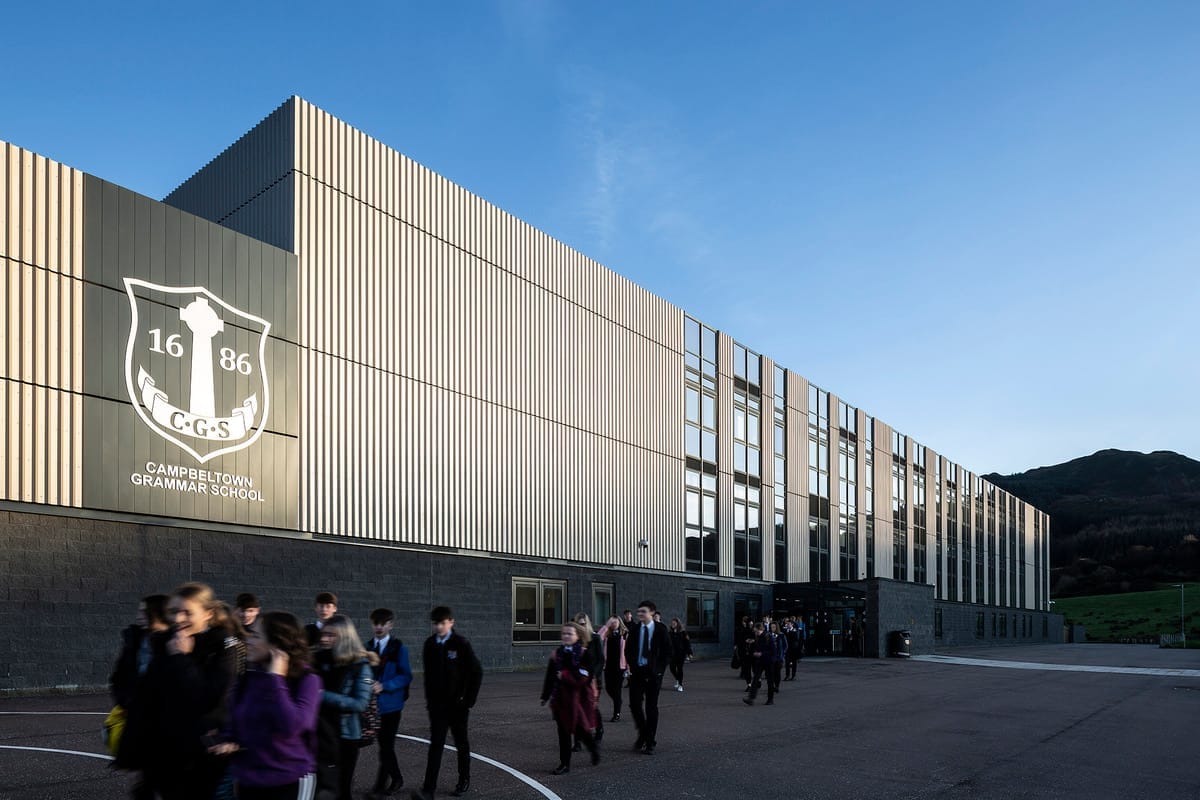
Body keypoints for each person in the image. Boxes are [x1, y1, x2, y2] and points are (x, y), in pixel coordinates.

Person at [124, 582, 239, 799]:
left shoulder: (223, 646)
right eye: (174, 611)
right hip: (164, 751)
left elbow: (209, 698)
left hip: (201, 754)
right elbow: (148, 697)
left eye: (187, 612)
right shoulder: (165, 643)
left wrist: (182, 659)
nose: (178, 619)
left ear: (208, 613)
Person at [210, 611, 321, 800]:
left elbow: (292, 726)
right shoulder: (248, 678)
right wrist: (228, 740)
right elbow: (236, 720)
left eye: (255, 635)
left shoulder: (307, 679)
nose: (248, 640)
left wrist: (276, 678)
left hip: (289, 778)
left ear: (277, 643)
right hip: (249, 779)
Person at [411, 607, 482, 800]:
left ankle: (463, 779)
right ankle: (428, 790)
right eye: (435, 623)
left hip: (458, 706)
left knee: (461, 743)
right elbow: (428, 677)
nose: (439, 627)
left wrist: (468, 701)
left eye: (442, 623)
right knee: (436, 745)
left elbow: (476, 671)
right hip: (438, 707)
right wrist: (430, 702)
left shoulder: (460, 644)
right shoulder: (430, 644)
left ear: (451, 622)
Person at [109, 594, 170, 800]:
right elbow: (118, 676)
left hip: (164, 720)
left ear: (158, 613)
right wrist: (126, 701)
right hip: (139, 716)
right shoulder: (135, 639)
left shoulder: (174, 642)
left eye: (144, 611)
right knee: (145, 780)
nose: (139, 616)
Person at [314, 615, 374, 800]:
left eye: (331, 635)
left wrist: (321, 695)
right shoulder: (317, 659)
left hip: (345, 734)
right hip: (318, 732)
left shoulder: (360, 665)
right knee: (318, 786)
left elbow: (360, 703)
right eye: (323, 634)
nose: (325, 639)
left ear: (345, 636)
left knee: (342, 788)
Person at [540, 622, 600, 774]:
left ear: (578, 636)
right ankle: (564, 764)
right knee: (563, 732)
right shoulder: (556, 654)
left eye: (570, 633)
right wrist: (545, 696)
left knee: (581, 730)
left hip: (578, 699)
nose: (566, 636)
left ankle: (593, 749)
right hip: (560, 699)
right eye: (564, 633)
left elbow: (586, 676)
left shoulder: (584, 653)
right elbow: (550, 676)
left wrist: (566, 676)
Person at [368, 608, 413, 798]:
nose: (379, 627)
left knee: (385, 746)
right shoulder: (367, 647)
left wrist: (384, 685)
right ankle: (396, 778)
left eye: (383, 623)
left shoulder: (399, 648)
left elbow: (406, 676)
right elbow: (363, 674)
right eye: (376, 623)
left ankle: (380, 787)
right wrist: (368, 683)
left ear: (390, 625)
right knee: (384, 746)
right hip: (373, 706)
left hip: (392, 706)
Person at [623, 600, 670, 755]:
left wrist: (659, 671)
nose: (640, 614)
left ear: (652, 613)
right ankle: (643, 733)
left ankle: (650, 741)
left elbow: (667, 652)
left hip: (653, 673)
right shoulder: (635, 629)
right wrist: (632, 665)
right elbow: (628, 650)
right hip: (638, 672)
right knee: (634, 705)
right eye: (639, 611)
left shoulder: (661, 629)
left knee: (651, 707)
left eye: (643, 611)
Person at [599, 616, 627, 722]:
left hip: (620, 667)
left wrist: (628, 667)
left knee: (617, 689)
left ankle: (617, 714)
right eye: (612, 622)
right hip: (608, 666)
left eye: (615, 622)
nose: (614, 624)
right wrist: (606, 626)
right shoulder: (607, 634)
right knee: (608, 688)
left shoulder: (625, 634)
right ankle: (618, 701)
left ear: (619, 623)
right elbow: (597, 638)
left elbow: (628, 651)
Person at [667, 618, 692, 692]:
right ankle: (678, 679)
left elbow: (687, 643)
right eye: (672, 623)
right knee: (672, 668)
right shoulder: (670, 633)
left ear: (678, 624)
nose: (673, 624)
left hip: (681, 654)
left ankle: (680, 685)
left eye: (674, 623)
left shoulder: (683, 632)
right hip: (672, 654)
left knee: (679, 669)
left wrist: (689, 653)